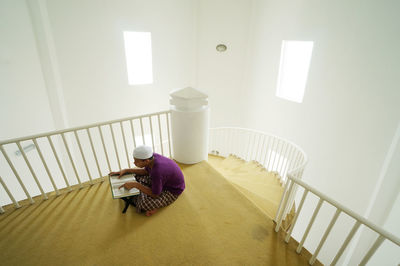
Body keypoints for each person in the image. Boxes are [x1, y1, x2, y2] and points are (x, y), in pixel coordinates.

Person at [109, 145, 185, 216]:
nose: (134, 162)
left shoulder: (157, 171)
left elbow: (155, 194)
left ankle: (151, 204)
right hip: (162, 181)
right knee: (136, 176)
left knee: (144, 204)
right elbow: (146, 172)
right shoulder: (153, 157)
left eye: (136, 161)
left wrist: (136, 185)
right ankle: (140, 194)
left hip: (173, 190)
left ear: (146, 161)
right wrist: (126, 170)